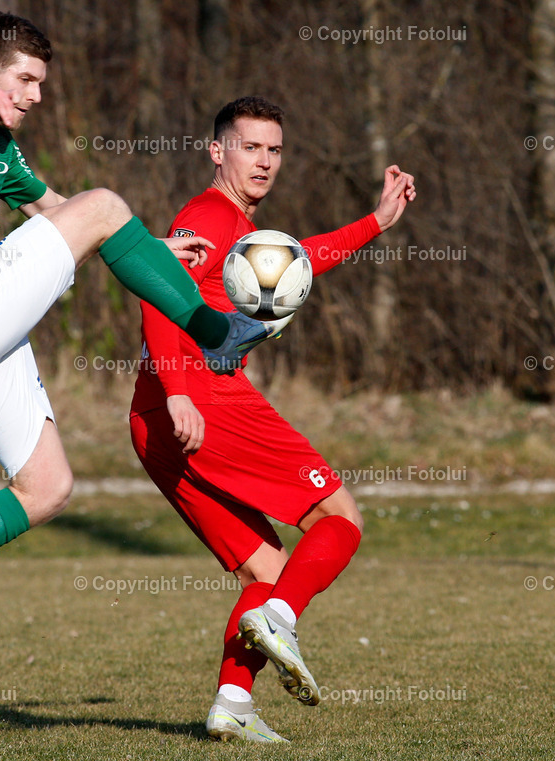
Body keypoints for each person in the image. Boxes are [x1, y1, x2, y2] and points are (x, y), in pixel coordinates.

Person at [0, 13, 277, 684]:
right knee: (106, 202)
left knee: (48, 486)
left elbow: (57, 207)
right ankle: (215, 332)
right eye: (24, 80)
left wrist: (146, 248)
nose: (33, 96)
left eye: (41, 84)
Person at [129, 96, 416, 742]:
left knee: (266, 568)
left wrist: (376, 220)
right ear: (216, 151)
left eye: (274, 149)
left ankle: (233, 700)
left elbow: (300, 259)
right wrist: (179, 390)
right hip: (201, 403)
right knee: (340, 516)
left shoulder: (239, 227)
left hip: (155, 422)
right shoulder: (208, 213)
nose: (263, 161)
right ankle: (282, 616)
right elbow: (156, 285)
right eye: (249, 146)